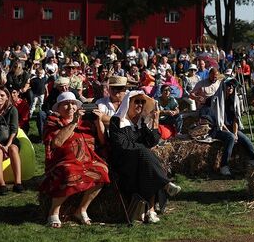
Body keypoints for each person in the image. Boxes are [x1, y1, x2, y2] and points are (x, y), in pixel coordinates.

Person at [106, 91, 181, 224]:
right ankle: (165, 184)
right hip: (123, 161)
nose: (140, 104)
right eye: (137, 101)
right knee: (145, 154)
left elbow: (152, 141)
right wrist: (141, 148)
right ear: (128, 103)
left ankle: (150, 211)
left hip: (140, 160)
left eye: (142, 102)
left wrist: (155, 122)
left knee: (147, 168)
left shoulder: (140, 122)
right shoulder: (117, 121)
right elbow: (121, 145)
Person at [41, 92, 110, 228]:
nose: (70, 107)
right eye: (66, 104)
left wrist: (98, 122)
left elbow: (102, 141)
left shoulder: (87, 122)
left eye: (73, 103)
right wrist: (73, 122)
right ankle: (54, 211)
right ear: (58, 108)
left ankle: (81, 209)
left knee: (102, 170)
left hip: (87, 159)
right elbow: (57, 142)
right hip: (63, 160)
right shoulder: (53, 121)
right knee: (69, 171)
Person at [209, 78, 254, 176]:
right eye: (228, 85)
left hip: (231, 128)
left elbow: (236, 119)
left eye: (232, 86)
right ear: (223, 86)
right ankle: (224, 166)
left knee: (245, 139)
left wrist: (235, 133)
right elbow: (219, 122)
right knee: (230, 137)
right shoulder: (216, 100)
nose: (231, 87)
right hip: (218, 129)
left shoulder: (234, 100)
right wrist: (232, 134)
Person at [0, 86, 22, 195]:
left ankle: (18, 183)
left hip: (9, 139)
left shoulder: (12, 109)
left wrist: (8, 144)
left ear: (7, 97)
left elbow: (14, 129)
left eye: (2, 95)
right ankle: (2, 184)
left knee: (13, 149)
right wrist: (1, 146)